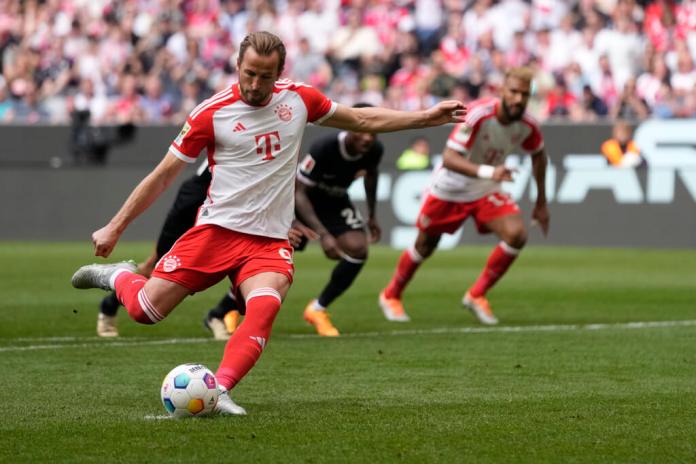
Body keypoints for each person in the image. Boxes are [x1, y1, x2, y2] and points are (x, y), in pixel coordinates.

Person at [71, 31, 465, 416]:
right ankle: (117, 277)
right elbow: (162, 176)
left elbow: (360, 117)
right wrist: (115, 226)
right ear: (237, 66)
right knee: (145, 311)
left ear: (279, 74)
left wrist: (426, 117)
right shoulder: (211, 113)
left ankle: (220, 390)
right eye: (249, 73)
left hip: (269, 240)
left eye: (265, 76)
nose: (255, 84)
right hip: (217, 231)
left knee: (263, 307)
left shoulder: (299, 99)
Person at [379, 67, 549, 326]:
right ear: (502, 90)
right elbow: (449, 158)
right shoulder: (479, 114)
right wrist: (491, 171)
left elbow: (539, 155)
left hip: (485, 189)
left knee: (517, 234)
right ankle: (391, 295)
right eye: (513, 92)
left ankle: (477, 295)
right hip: (450, 188)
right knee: (426, 245)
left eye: (524, 94)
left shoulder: (528, 125)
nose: (518, 99)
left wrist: (541, 203)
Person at [96, 160, 242, 340]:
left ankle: (219, 314)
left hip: (236, 212)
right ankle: (109, 304)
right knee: (156, 268)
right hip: (196, 201)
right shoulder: (237, 134)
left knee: (257, 266)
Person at [295, 104, 384, 336]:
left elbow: (371, 177)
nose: (367, 138)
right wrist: (324, 235)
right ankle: (228, 308)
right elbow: (299, 192)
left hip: (335, 201)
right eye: (362, 132)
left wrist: (372, 215)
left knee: (358, 249)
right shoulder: (324, 147)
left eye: (372, 133)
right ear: (348, 127)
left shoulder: (374, 150)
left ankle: (317, 309)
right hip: (301, 202)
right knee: (277, 254)